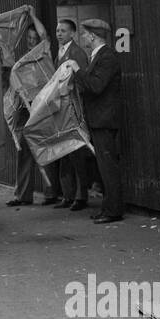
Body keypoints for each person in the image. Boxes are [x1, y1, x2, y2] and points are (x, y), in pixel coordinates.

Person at [63, 18, 123, 223]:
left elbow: (96, 86)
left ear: (93, 36)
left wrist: (77, 70)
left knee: (108, 167)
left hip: (104, 120)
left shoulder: (107, 58)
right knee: (104, 167)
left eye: (85, 34)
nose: (83, 37)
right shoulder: (98, 56)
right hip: (99, 119)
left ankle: (113, 211)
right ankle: (108, 208)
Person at [6, 8, 53, 206]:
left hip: (42, 109)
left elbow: (44, 35)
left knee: (44, 149)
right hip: (26, 110)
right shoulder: (23, 58)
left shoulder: (44, 52)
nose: (32, 41)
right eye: (29, 37)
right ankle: (23, 195)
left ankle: (52, 193)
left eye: (35, 38)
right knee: (24, 151)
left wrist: (33, 15)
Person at [45, 18, 92, 211]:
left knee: (77, 152)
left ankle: (81, 196)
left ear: (72, 34)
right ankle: (68, 194)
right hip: (61, 109)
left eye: (63, 31)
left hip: (73, 110)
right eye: (57, 30)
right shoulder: (61, 52)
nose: (59, 34)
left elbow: (82, 81)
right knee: (64, 152)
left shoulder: (77, 53)